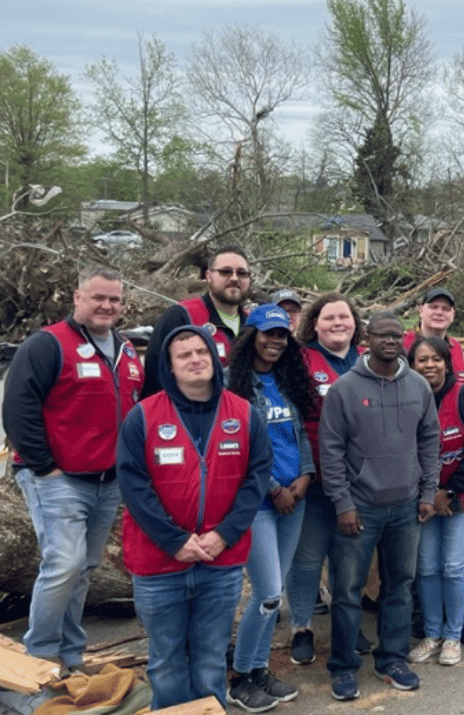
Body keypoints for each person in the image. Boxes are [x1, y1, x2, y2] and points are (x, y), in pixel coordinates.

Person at [117, 326, 270, 711]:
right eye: (183, 355)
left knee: (210, 658)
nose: (195, 360)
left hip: (220, 561)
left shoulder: (244, 413)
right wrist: (174, 540)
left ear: (214, 357)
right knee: (166, 661)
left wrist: (225, 534)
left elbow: (257, 478)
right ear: (169, 367)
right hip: (159, 564)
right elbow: (133, 486)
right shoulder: (143, 416)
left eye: (201, 351)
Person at [3, 266, 143, 673]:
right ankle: (41, 655)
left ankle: (71, 654)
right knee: (63, 564)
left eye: (114, 299)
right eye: (98, 297)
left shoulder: (127, 351)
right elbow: (17, 407)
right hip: (57, 477)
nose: (107, 306)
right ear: (77, 296)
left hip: (107, 480)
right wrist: (44, 467)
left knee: (85, 568)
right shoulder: (48, 344)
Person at [320, 311, 439, 700]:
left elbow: (430, 443)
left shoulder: (419, 386)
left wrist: (426, 493)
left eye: (395, 335)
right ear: (366, 339)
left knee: (400, 588)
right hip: (361, 508)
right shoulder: (344, 390)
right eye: (381, 334)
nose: (390, 340)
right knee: (348, 590)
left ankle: (392, 660)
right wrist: (343, 503)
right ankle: (343, 667)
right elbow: (331, 451)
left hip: (406, 507)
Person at [223, 304, 319, 710]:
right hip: (258, 503)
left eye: (282, 335)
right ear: (251, 336)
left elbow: (298, 435)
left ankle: (260, 668)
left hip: (293, 499)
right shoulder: (233, 385)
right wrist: (275, 487)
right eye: (268, 334)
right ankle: (241, 676)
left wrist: (306, 477)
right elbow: (236, 449)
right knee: (264, 592)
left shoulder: (285, 379)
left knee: (275, 592)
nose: (275, 341)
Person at [287, 293, 366, 666]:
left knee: (348, 557)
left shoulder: (368, 359)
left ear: (355, 322)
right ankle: (301, 626)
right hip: (316, 481)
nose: (338, 323)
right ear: (314, 324)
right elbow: (292, 421)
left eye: (344, 316)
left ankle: (347, 623)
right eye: (329, 317)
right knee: (307, 558)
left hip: (360, 482)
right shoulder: (301, 361)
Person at [407, 336, 464, 667]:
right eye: (422, 360)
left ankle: (453, 636)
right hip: (423, 499)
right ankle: (432, 634)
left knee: (453, 566)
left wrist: (451, 491)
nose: (429, 365)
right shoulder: (407, 397)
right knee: (426, 568)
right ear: (411, 365)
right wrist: (428, 494)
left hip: (462, 497)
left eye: (436, 359)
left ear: (446, 362)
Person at [143, 246, 252, 396]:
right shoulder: (181, 315)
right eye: (225, 272)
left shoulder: (253, 323)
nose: (234, 278)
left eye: (242, 273)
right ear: (208, 276)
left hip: (243, 414)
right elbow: (155, 375)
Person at [403, 287, 464, 385]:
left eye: (446, 309)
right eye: (433, 307)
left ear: (453, 315)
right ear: (421, 310)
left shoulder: (455, 347)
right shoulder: (403, 343)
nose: (439, 313)